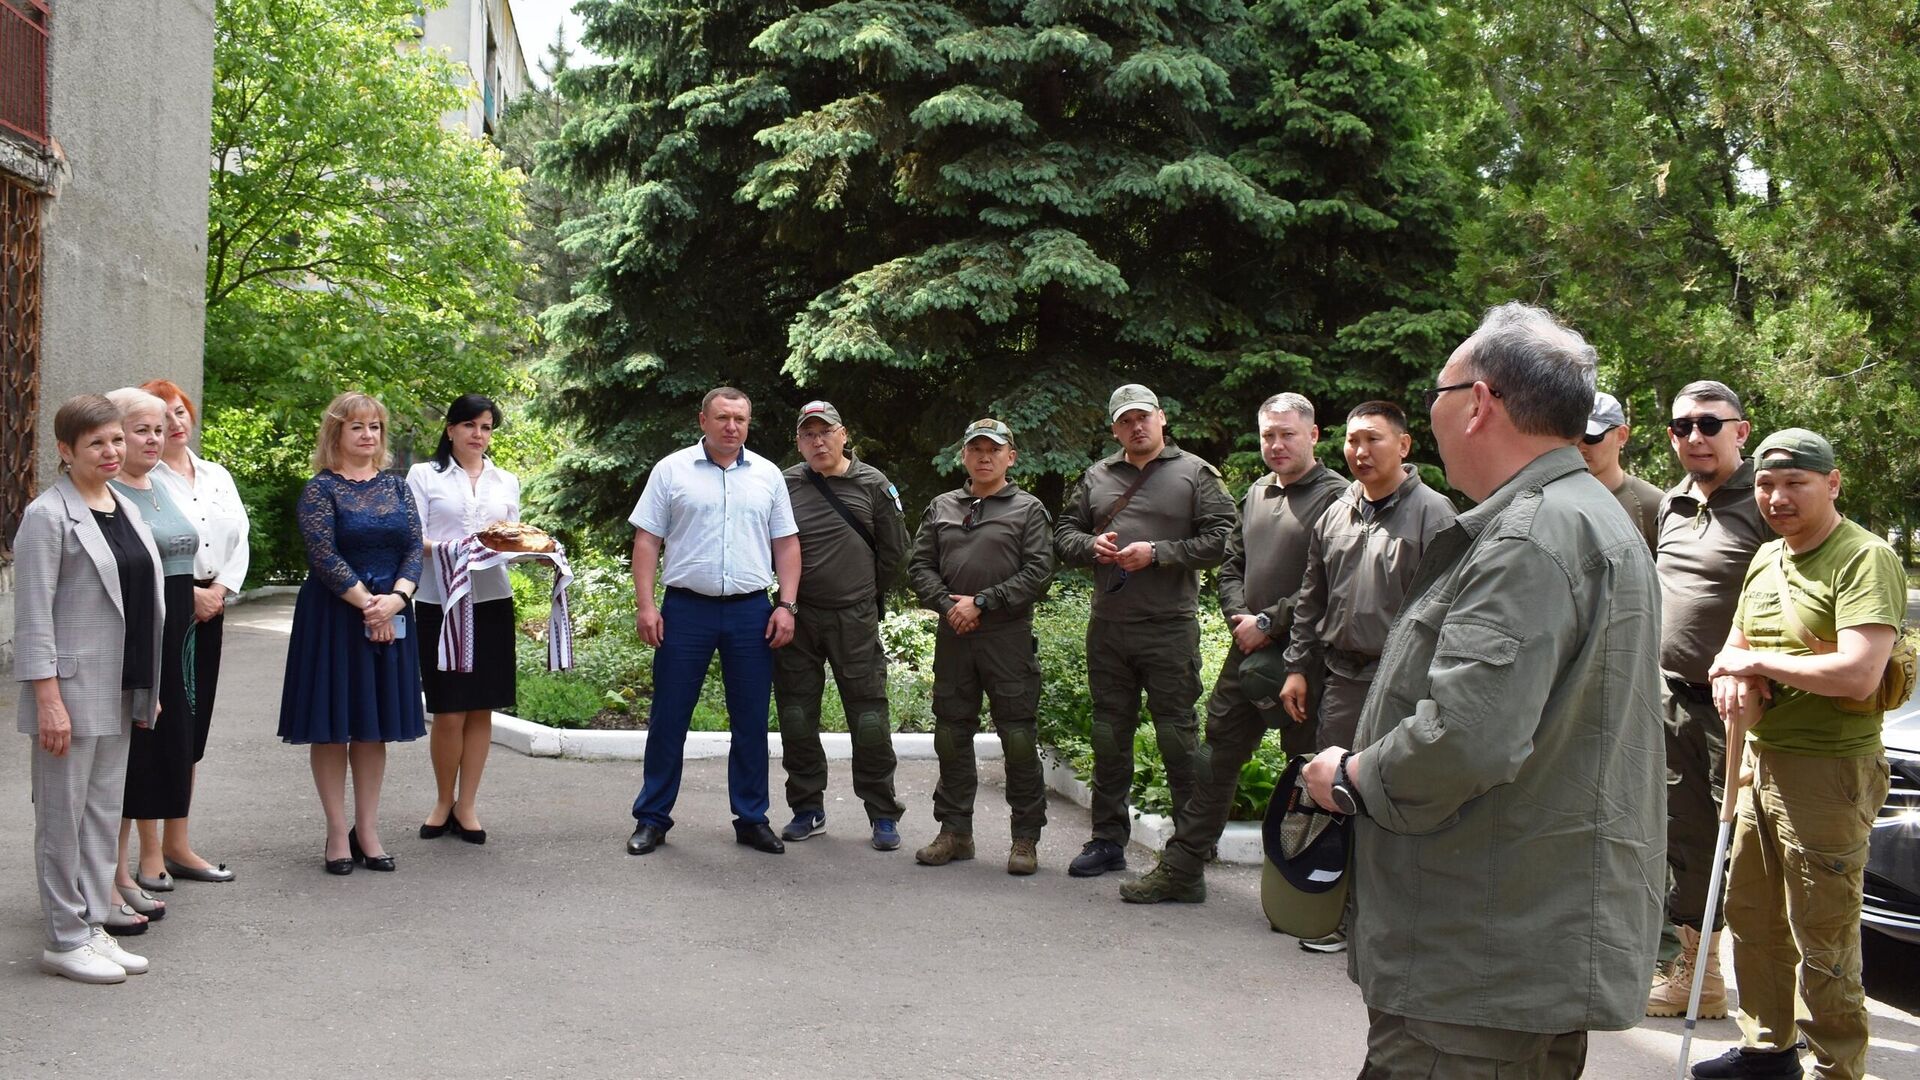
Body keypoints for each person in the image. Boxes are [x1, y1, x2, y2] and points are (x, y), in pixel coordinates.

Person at [1304, 302, 1664, 1076]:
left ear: (1481, 402)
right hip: (1512, 941)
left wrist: (1354, 777)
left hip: (1478, 957)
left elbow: (1467, 737)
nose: (1429, 412)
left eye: (1438, 392)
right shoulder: (1584, 517)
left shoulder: (1530, 535)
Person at [1688, 429, 1904, 1080]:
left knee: (1824, 935)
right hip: (1759, 761)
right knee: (1751, 917)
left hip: (1829, 773)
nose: (1776, 498)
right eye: (1765, 485)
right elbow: (1734, 646)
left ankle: (1835, 1068)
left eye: (1794, 484)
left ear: (1832, 483)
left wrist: (1754, 661)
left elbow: (1860, 673)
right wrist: (1731, 675)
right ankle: (1767, 1051)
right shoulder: (1767, 559)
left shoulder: (1863, 559)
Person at [1122, 392, 1343, 905]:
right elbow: (1231, 564)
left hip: (1305, 660)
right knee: (1215, 759)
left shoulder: (1338, 498)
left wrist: (1271, 621)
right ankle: (1182, 870)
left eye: (1288, 433)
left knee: (1306, 770)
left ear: (1312, 435)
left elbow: (1330, 583)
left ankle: (1308, 892)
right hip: (1247, 654)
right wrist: (1242, 619)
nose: (1277, 444)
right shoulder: (1259, 493)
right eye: (1269, 434)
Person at [1269, 400, 1455, 950]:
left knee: (1394, 795)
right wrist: (1297, 667)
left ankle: (1388, 924)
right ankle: (1337, 913)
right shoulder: (1337, 512)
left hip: (1404, 683)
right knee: (1339, 794)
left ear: (1404, 445)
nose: (1360, 451)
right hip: (1343, 680)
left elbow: (1448, 607)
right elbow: (1311, 598)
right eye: (1352, 441)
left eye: (1373, 439)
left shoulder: (1434, 514)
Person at [1055, 384, 1237, 879]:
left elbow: (1225, 538)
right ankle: (1107, 841)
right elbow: (1064, 535)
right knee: (1109, 735)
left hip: (1168, 628)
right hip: (1109, 628)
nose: (1136, 427)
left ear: (1161, 419)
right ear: (1115, 429)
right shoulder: (1097, 476)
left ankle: (1188, 848)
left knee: (1177, 737)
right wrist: (1093, 545)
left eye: (1143, 418)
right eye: (1125, 421)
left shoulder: (1195, 473)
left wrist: (1157, 552)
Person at [13, 394, 162, 982]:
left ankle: (93, 923)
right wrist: (47, 700)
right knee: (62, 816)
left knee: (102, 813)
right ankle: (63, 937)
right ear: (65, 450)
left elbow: (140, 601)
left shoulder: (123, 504)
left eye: (116, 440)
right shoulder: (47, 516)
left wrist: (148, 683)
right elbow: (33, 618)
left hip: (120, 686)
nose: (111, 451)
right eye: (96, 443)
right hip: (68, 694)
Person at [625, 387, 801, 857]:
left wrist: (787, 605)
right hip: (686, 610)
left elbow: (786, 544)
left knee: (750, 722)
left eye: (740, 419)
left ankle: (751, 818)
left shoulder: (767, 475)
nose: (731, 427)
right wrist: (646, 606)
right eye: (722, 417)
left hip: (750, 611)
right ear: (702, 420)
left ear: (749, 423)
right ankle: (652, 818)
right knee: (669, 718)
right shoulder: (671, 470)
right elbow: (646, 542)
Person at [1646, 379, 1766, 1020]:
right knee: (1685, 838)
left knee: (1747, 844)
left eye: (1710, 424)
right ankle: (1699, 975)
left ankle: (1776, 996)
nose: (1695, 436)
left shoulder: (1767, 503)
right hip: (1669, 699)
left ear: (1740, 430)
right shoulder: (1673, 503)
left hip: (1740, 710)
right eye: (1682, 426)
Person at [276, 391, 427, 875]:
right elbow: (323, 555)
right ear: (336, 433)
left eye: (376, 427)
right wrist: (369, 606)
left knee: (371, 727)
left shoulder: (398, 488)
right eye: (358, 427)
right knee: (332, 726)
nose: (368, 436)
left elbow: (412, 550)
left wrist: (397, 601)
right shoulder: (320, 490)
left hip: (389, 611)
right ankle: (337, 833)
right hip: (334, 618)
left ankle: (368, 830)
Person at [907, 419, 1055, 874]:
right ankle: (955, 831)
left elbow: (1039, 572)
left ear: (1011, 456)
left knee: (1016, 737)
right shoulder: (942, 506)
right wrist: (947, 605)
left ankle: (1025, 839)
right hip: (954, 636)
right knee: (951, 735)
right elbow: (919, 566)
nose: (985, 456)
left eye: (995, 449)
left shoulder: (1028, 509)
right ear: (965, 456)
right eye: (976, 449)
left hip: (1006, 638)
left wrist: (984, 603)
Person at [774, 401, 909, 850]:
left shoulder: (873, 485)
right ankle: (807, 808)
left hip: (854, 618)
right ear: (799, 441)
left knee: (869, 716)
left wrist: (863, 597)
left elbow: (895, 554)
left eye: (825, 432)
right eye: (808, 434)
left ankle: (883, 813)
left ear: (843, 434)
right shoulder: (784, 484)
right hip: (798, 617)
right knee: (796, 715)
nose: (818, 441)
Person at [105, 388, 209, 927]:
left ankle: (124, 874)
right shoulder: (109, 493)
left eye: (159, 427)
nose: (153, 437)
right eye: (138, 429)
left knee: (165, 754)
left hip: (179, 641)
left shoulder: (161, 484)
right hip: (139, 640)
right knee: (131, 758)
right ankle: (114, 874)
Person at [144, 378, 249, 886]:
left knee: (193, 729)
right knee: (158, 728)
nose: (176, 422)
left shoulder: (215, 474)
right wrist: (190, 596)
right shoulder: (141, 478)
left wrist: (221, 590)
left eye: (181, 411)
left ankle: (178, 843)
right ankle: (148, 854)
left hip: (213, 607)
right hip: (166, 609)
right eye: (162, 417)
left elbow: (240, 536)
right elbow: (146, 549)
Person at [407, 394, 520, 846]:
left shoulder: (505, 480)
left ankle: (467, 804)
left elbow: (512, 536)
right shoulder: (424, 475)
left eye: (487, 427)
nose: (478, 435)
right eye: (470, 425)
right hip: (440, 602)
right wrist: (454, 550)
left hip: (491, 599)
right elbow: (412, 535)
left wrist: (534, 552)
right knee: (449, 710)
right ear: (450, 429)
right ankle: (441, 800)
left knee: (480, 707)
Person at [1578, 390, 1663, 552]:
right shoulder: (1551, 500)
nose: (1580, 446)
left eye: (1591, 437)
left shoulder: (1652, 504)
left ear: (1622, 435)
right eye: (1573, 436)